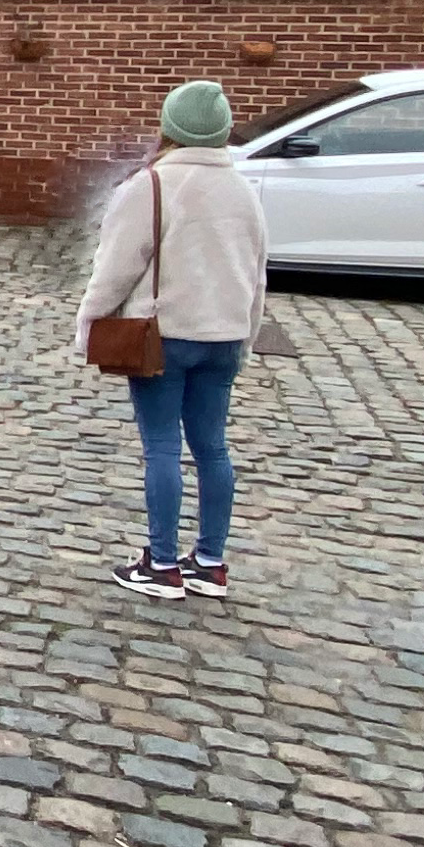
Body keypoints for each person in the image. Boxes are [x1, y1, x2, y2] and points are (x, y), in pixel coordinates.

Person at [76, 79, 268, 599]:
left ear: (169, 128)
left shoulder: (150, 187)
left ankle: (161, 565)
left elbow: (114, 269)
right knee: (212, 448)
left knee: (162, 447)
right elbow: (258, 271)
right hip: (224, 335)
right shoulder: (245, 191)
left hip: (163, 335)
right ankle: (210, 561)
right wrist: (247, 334)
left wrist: (88, 325)